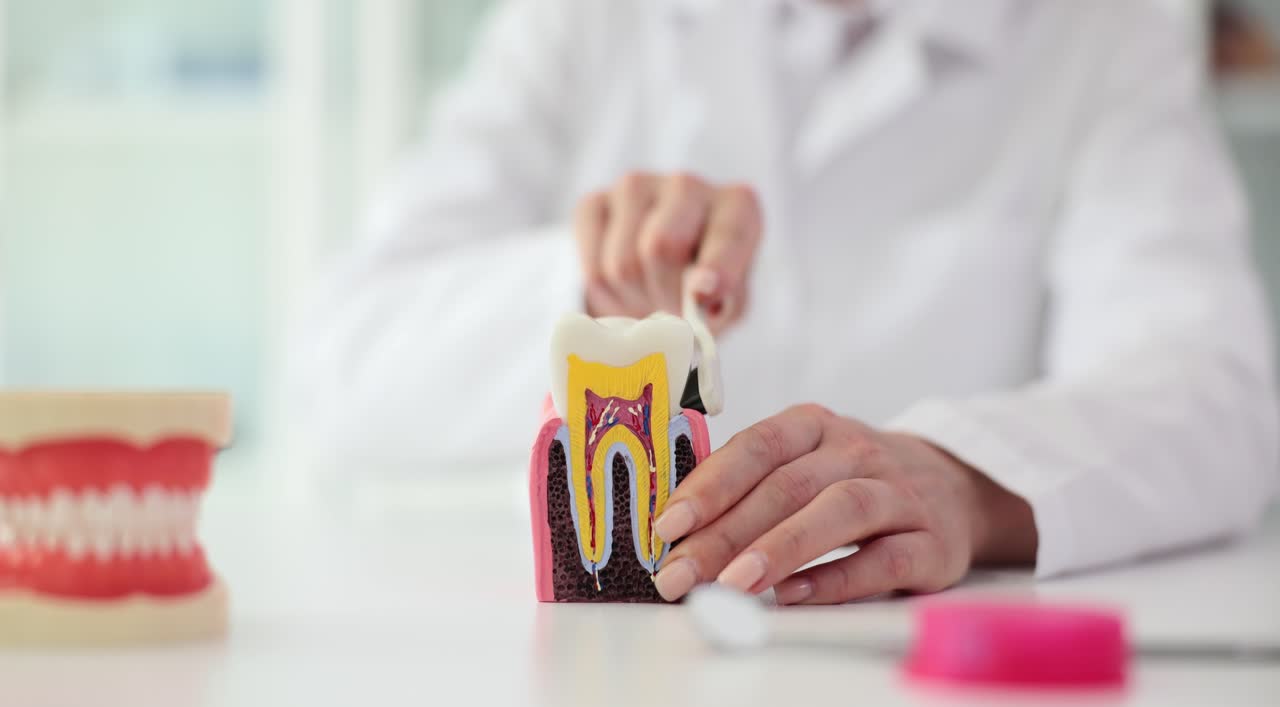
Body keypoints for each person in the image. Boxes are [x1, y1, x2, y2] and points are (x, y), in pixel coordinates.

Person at [298, 0, 1279, 603]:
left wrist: (961, 480)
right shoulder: (583, 18)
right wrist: (595, 292)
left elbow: (1214, 396)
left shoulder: (1101, 39)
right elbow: (338, 369)